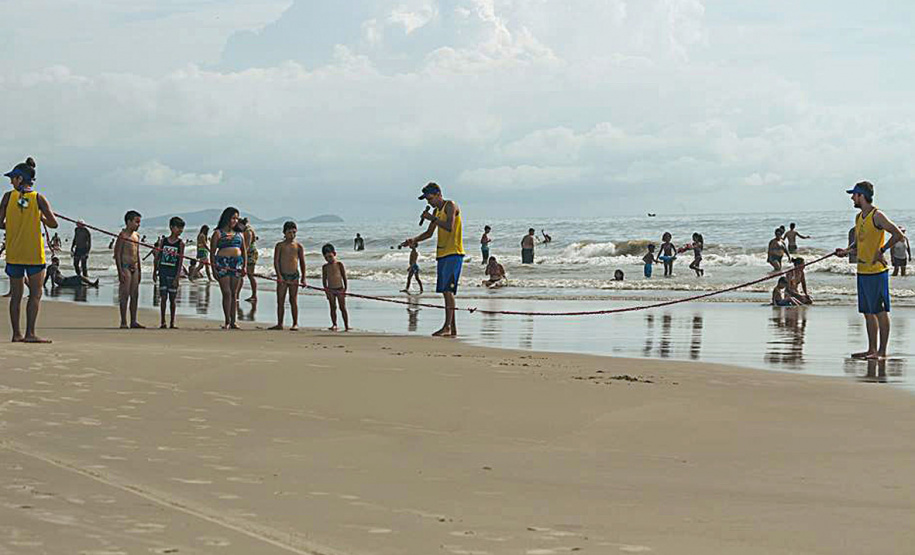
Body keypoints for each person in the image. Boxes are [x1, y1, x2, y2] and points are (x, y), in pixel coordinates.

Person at [834, 181, 905, 360]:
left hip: (877, 272)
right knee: (867, 312)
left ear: (862, 196)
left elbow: (898, 235)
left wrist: (881, 250)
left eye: (854, 195)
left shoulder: (877, 215)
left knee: (880, 312)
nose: (852, 198)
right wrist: (846, 251)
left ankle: (882, 352)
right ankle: (871, 349)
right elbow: (858, 244)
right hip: (862, 270)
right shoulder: (858, 218)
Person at [0, 158, 58, 343]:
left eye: (13, 178)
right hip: (34, 254)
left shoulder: (8, 197)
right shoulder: (39, 198)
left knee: (16, 295)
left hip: (14, 253)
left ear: (20, 179)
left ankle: (16, 334)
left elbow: (0, 223)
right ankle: (30, 333)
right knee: (35, 294)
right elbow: (53, 223)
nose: (10, 182)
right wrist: (39, 217)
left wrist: (12, 225)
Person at [401, 182, 464, 337]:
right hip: (442, 254)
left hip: (453, 253)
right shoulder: (437, 211)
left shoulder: (450, 205)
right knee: (445, 292)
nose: (428, 202)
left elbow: (449, 226)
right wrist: (413, 239)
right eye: (427, 200)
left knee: (448, 291)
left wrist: (431, 218)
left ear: (438, 194)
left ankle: (447, 326)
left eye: (429, 198)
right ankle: (452, 328)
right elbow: (429, 233)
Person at [210, 207, 247, 330]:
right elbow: (212, 252)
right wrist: (213, 268)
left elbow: (244, 251)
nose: (235, 220)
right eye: (233, 218)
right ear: (226, 218)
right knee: (226, 292)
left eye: (237, 218)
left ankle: (233, 321)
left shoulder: (239, 234)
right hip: (222, 262)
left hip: (236, 263)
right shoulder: (218, 233)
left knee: (234, 293)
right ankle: (227, 320)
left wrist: (245, 266)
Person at [270, 221, 307, 331]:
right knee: (280, 300)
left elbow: (302, 263)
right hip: (283, 276)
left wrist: (303, 278)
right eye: (290, 232)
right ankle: (280, 323)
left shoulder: (298, 246)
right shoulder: (280, 245)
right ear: (284, 233)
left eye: (294, 232)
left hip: (294, 276)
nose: (292, 235)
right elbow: (276, 261)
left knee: (293, 299)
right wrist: (279, 275)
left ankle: (295, 323)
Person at [114, 210, 144, 329]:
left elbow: (137, 253)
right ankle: (123, 321)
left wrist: (140, 270)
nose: (138, 225)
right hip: (125, 267)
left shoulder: (136, 236)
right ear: (128, 222)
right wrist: (120, 271)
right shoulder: (122, 236)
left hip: (135, 267)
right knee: (124, 294)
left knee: (135, 294)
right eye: (136, 222)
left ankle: (134, 320)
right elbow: (117, 254)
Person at [155, 217, 185, 329]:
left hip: (173, 273)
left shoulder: (181, 244)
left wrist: (177, 277)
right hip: (163, 272)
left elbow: (180, 261)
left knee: (173, 299)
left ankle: (172, 322)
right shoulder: (164, 241)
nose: (180, 230)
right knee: (163, 298)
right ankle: (163, 321)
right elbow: (158, 257)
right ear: (171, 227)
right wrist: (155, 271)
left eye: (182, 228)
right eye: (178, 228)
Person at [321, 243, 349, 331]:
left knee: (342, 307)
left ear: (334, 254)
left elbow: (344, 277)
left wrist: (345, 289)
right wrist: (326, 290)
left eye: (330, 257)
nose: (328, 259)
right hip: (330, 289)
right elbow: (324, 279)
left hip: (340, 288)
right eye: (326, 258)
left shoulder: (339, 264)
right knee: (332, 307)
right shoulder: (325, 267)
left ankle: (346, 325)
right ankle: (334, 324)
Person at [239, 218, 258, 302]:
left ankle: (254, 295)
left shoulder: (248, 231)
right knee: (240, 275)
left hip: (250, 254)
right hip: (246, 254)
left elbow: (246, 247)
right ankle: (237, 294)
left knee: (250, 275)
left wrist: (241, 255)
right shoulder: (244, 230)